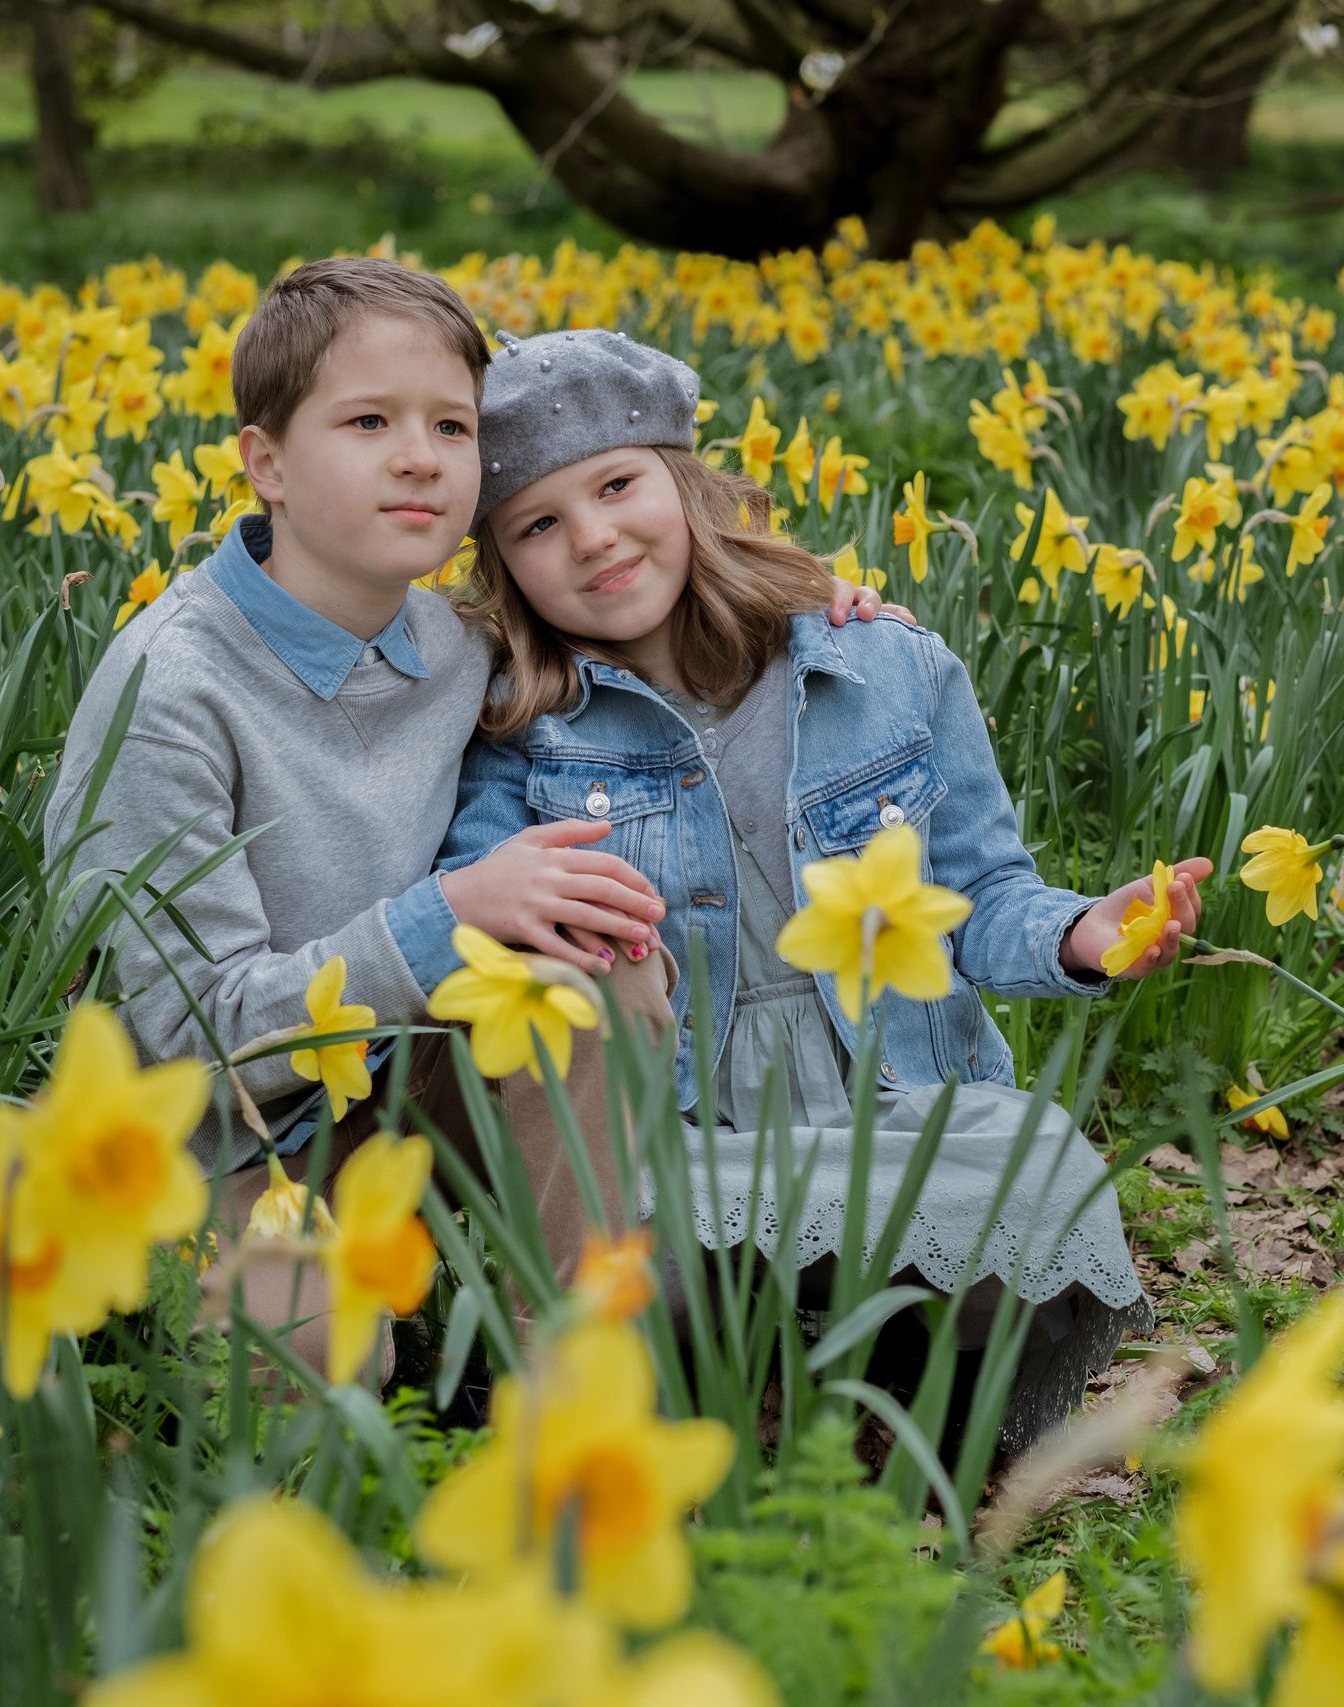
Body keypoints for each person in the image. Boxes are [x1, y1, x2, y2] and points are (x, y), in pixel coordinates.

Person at [44, 260, 888, 1378]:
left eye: (451, 425)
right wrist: (447, 916)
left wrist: (810, 614)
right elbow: (181, 1045)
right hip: (230, 1144)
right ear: (266, 463)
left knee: (588, 971)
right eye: (367, 421)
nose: (419, 458)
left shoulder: (461, 650)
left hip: (410, 1095)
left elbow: (647, 620)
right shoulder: (169, 691)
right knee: (310, 1355)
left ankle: (574, 1388)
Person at [441, 326, 1213, 1452]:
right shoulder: (518, 727)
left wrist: (1083, 935)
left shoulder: (884, 667)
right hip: (682, 1124)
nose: (595, 538)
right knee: (645, 1302)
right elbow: (486, 920)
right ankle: (734, 1346)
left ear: (686, 483)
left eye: (617, 485)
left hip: (892, 1103)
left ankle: (872, 1368)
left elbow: (981, 894)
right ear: (502, 564)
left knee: (1031, 1189)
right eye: (538, 525)